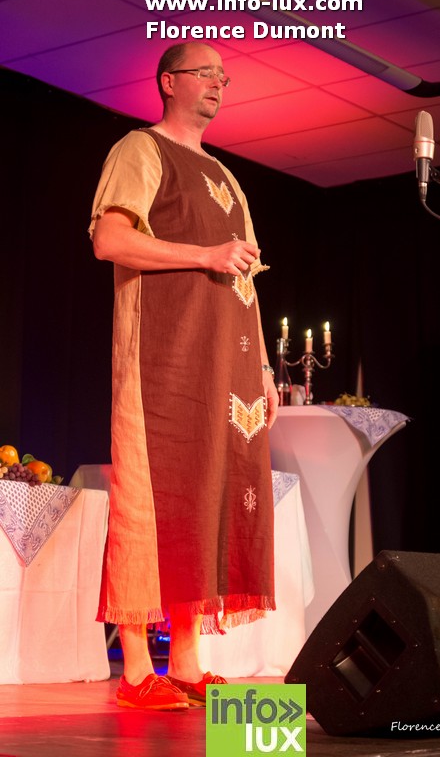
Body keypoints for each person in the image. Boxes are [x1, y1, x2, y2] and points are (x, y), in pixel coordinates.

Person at [89, 41, 279, 711]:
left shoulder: (226, 176)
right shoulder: (139, 150)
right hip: (162, 356)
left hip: (223, 362)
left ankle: (190, 664)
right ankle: (137, 670)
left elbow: (245, 278)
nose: (219, 84)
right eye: (206, 73)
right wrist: (204, 253)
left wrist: (262, 368)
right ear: (169, 82)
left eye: (224, 77)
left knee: (204, 497)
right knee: (149, 500)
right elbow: (110, 241)